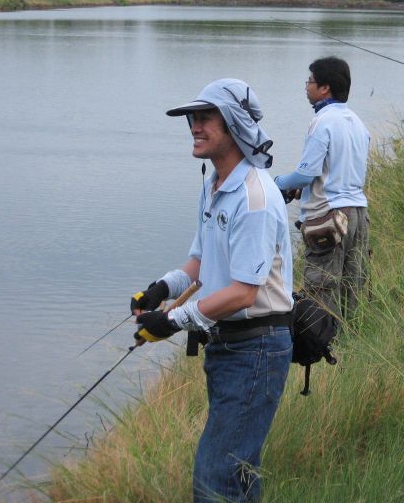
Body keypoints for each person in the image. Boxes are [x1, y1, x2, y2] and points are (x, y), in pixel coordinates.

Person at [131, 78, 294, 503]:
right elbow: (200, 263)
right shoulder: (215, 184)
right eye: (192, 118)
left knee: (215, 475)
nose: (194, 127)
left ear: (235, 124)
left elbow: (242, 292)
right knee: (235, 472)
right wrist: (160, 290)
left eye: (205, 118)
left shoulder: (255, 197)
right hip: (228, 346)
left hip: (257, 348)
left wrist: (170, 321)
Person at [275, 57, 370, 323]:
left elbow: (305, 174)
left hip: (330, 217)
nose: (306, 87)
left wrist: (278, 184)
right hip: (359, 214)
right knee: (352, 284)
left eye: (310, 81)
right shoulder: (357, 122)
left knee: (322, 288)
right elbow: (337, 172)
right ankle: (350, 342)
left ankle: (326, 346)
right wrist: (302, 189)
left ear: (324, 88)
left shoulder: (322, 121)